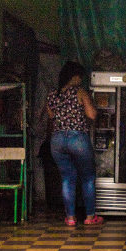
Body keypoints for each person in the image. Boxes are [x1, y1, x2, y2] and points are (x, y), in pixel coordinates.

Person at [47, 61, 103, 226]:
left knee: (67, 179)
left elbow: (51, 117)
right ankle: (90, 217)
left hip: (57, 140)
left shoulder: (52, 94)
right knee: (87, 178)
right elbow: (91, 115)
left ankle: (70, 218)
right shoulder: (80, 92)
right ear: (75, 76)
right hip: (77, 138)